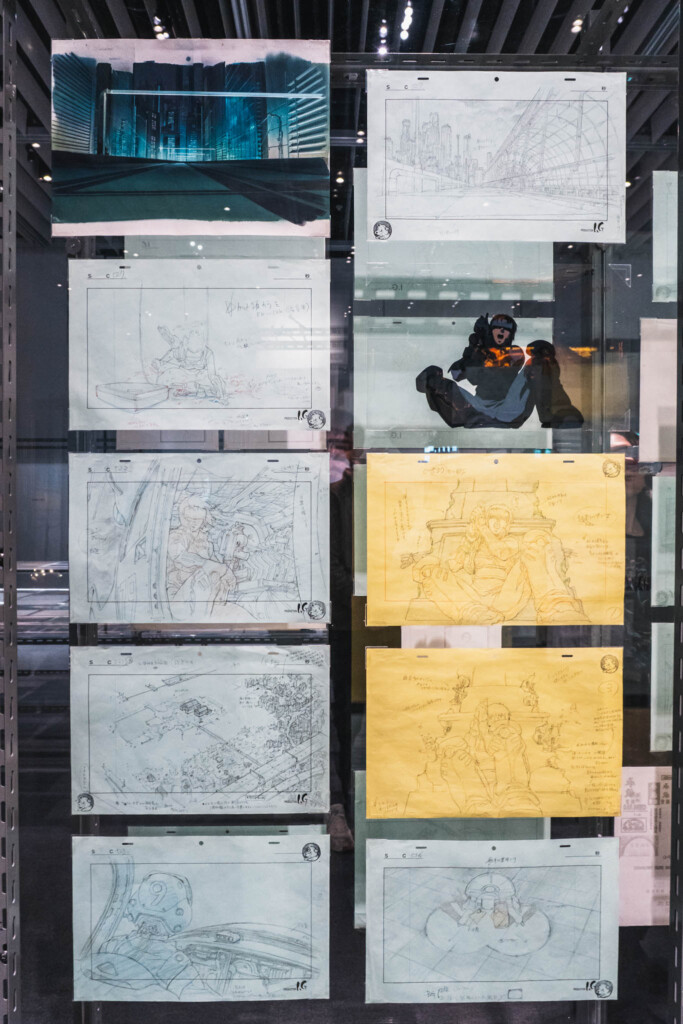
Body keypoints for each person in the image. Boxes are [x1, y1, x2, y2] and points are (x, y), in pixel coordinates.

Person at [416, 312, 583, 428]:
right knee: (433, 377)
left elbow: (501, 363)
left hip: (509, 407)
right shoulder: (480, 351)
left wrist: (483, 344)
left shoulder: (514, 352)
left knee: (538, 361)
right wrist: (473, 349)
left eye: (506, 328)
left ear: (511, 335)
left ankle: (558, 412)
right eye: (497, 327)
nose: (502, 330)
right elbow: (457, 375)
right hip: (477, 407)